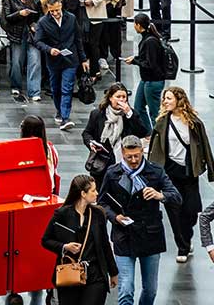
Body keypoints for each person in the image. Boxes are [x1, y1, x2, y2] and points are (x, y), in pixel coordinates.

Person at [98, 135, 181, 305]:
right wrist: (115, 217)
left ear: (143, 152)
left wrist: (160, 195)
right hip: (124, 235)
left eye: (137, 155)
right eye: (129, 157)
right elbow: (102, 203)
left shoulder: (156, 172)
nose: (134, 160)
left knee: (150, 290)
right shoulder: (113, 172)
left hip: (150, 235)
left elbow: (176, 197)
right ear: (122, 153)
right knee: (126, 289)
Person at [147, 87, 214, 262]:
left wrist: (210, 170)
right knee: (173, 211)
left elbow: (205, 146)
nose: (165, 102)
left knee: (191, 211)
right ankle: (182, 247)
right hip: (169, 171)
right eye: (164, 99)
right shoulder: (162, 122)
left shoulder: (193, 122)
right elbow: (155, 147)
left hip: (189, 172)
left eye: (169, 98)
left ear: (179, 100)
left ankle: (186, 235)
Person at [40, 174, 118, 305]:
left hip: (95, 275)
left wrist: (113, 272)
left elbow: (105, 244)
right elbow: (46, 240)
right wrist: (65, 247)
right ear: (83, 193)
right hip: (70, 274)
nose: (97, 193)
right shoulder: (62, 214)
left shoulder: (98, 214)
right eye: (93, 190)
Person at [35, 0, 87, 131]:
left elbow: (78, 39)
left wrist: (83, 59)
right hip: (53, 61)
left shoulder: (71, 18)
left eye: (57, 10)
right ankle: (60, 111)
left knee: (67, 88)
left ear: (61, 6)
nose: (56, 13)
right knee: (56, 88)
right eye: (52, 11)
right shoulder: (43, 22)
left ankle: (65, 117)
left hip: (71, 59)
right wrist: (49, 49)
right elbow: (38, 41)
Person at [82, 82, 148, 184]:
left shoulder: (130, 115)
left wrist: (129, 114)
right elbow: (87, 133)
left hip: (123, 162)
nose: (121, 100)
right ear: (110, 98)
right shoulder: (98, 114)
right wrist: (91, 143)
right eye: (118, 97)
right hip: (102, 162)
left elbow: (142, 132)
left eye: (124, 97)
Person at [121, 14, 166, 131]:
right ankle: (147, 133)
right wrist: (135, 58)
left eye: (134, 24)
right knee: (139, 107)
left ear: (138, 25)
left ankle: (158, 138)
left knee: (154, 112)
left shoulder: (150, 41)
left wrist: (135, 61)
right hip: (146, 80)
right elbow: (147, 58)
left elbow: (151, 64)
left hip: (153, 81)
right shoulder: (148, 38)